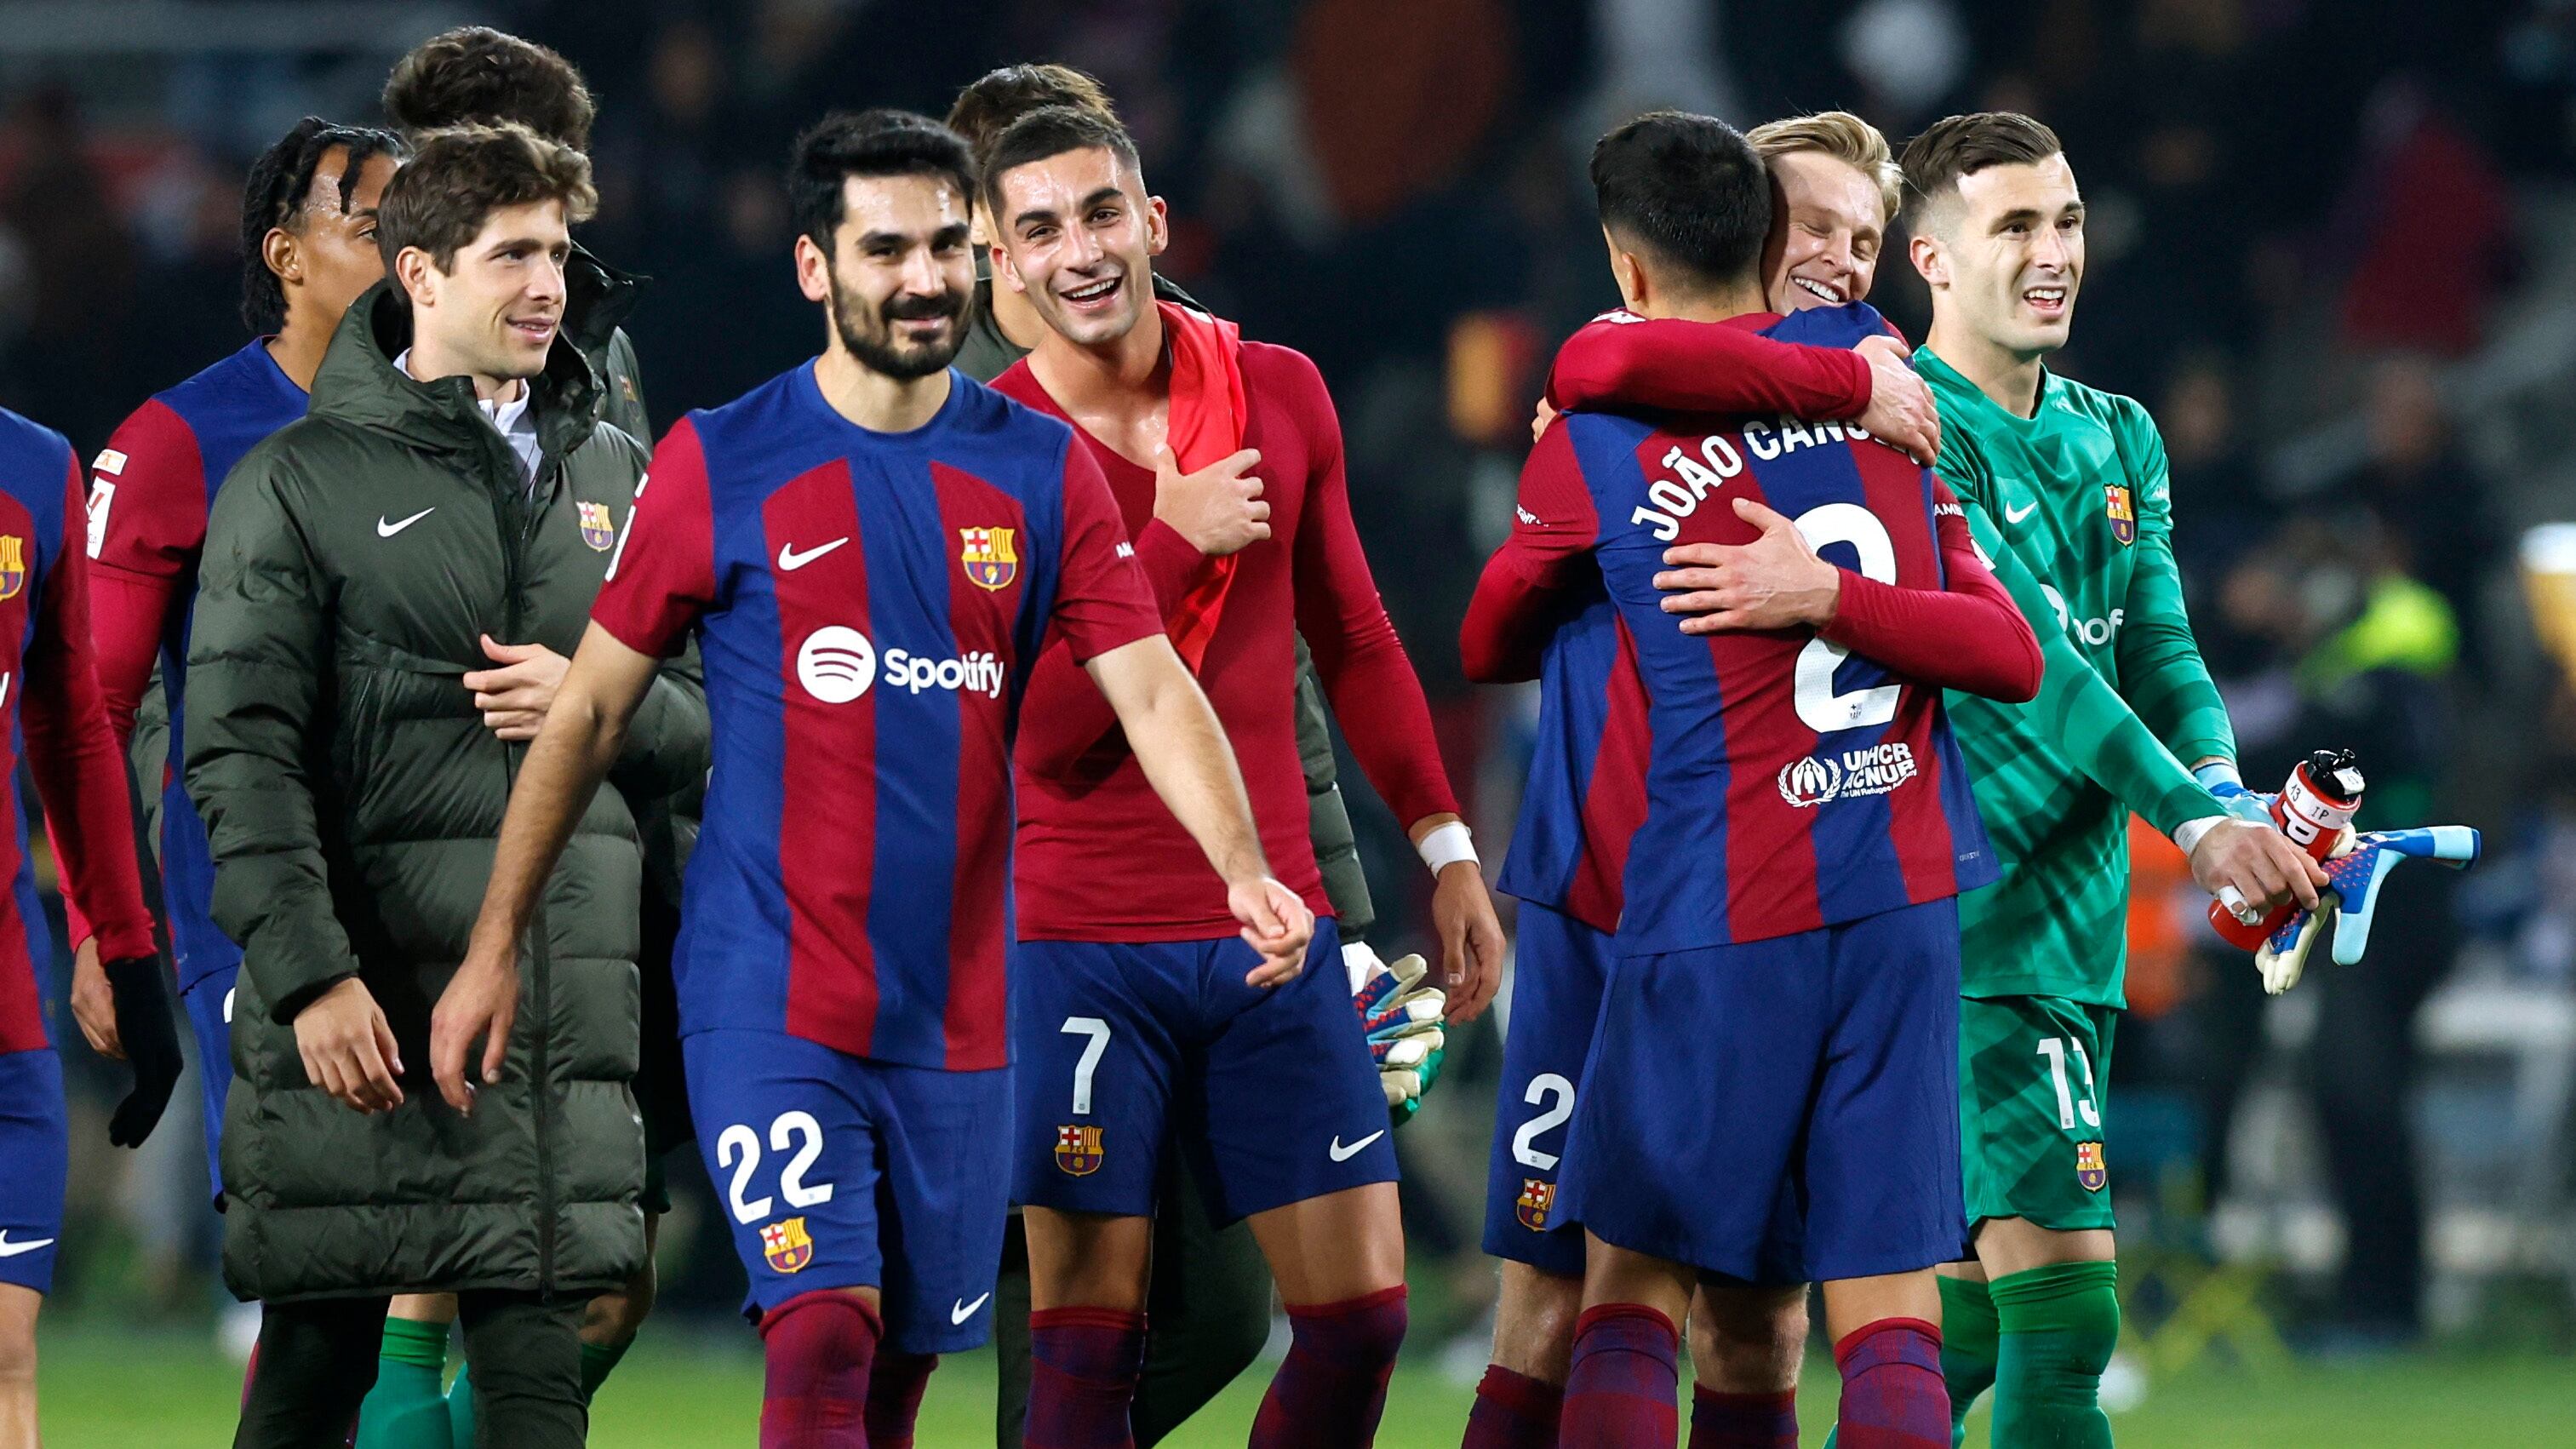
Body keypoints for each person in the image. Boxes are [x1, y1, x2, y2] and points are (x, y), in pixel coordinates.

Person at [441, 106, 1305, 1449]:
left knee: (896, 1374)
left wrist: (1243, 868)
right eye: (886, 248)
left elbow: (1149, 688)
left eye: (948, 248)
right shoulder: (722, 461)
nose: (922, 279)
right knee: (825, 1327)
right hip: (772, 994)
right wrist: (493, 946)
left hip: (964, 1020)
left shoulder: (1037, 469)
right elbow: (590, 711)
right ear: (813, 267)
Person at [1545, 110, 2335, 1449]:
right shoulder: (1900, 419)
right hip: (1948, 919)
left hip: (2069, 921)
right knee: (2064, 1315)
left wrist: (2228, 789)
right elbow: (2042, 672)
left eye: (2068, 220)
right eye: (2013, 225)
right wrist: (2198, 827)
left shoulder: (2116, 432)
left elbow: (2154, 643)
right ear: (1933, 260)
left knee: (1945, 1320)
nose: (2051, 253)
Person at [1465, 109, 2047, 1449]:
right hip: (1601, 900)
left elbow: (2001, 645)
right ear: (1738, 227)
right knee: (1554, 1307)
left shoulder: (1821, 389)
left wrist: (1820, 588)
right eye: (1813, 229)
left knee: (1747, 1314)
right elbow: (1499, 625)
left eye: (1863, 240)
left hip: (1726, 892)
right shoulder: (1806, 385)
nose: (1842, 266)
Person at [983, 104, 1504, 1447]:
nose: (1079, 251)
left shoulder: (1276, 389)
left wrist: (1442, 846)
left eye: (1100, 214)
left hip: (1272, 931)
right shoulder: (986, 452)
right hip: (1079, 936)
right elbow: (1037, 735)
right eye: (1038, 229)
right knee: (1084, 1348)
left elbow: (1359, 637)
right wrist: (1166, 538)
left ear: (1153, 224)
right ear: (1003, 262)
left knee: (1361, 1321)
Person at [187, 123, 705, 1449]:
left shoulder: (622, 476)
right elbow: (238, 752)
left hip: (554, 1037)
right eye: (510, 256)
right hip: (364, 1027)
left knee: (539, 1407)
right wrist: (308, 977)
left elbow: (708, 721)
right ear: (416, 273)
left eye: (557, 252)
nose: (547, 285)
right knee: (308, 1386)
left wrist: (602, 708)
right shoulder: (294, 482)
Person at [369, 29, 677, 1440]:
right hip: (417, 847)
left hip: (595, 865)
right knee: (421, 1275)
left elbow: (652, 610)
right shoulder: (349, 373)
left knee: (603, 1277)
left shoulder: (601, 381)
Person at [69, 117, 403, 1219]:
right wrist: (97, 932)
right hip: (252, 903)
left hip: (439, 894)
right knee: (319, 1258)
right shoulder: (178, 442)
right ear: (286, 254)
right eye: (369, 226)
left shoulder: (474, 425)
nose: (403, 252)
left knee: (508, 1275)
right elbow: (90, 708)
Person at [0, 405, 167, 1449]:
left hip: (5, 1019)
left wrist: (127, 948)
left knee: (8, 1363)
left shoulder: (31, 466)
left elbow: (71, 727)